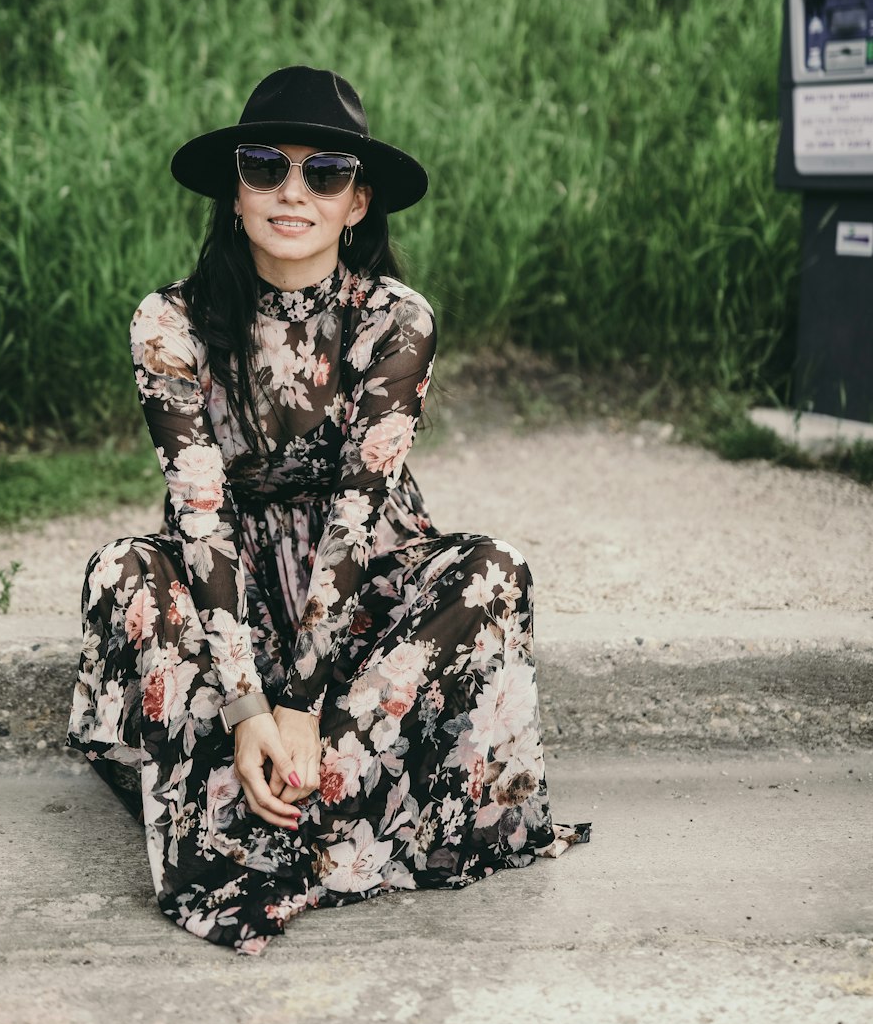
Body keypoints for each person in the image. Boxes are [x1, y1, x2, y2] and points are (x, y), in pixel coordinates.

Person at [66, 65, 589, 954]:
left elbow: (360, 517)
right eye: (265, 166)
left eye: (326, 173)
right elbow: (201, 516)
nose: (292, 190)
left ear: (357, 203)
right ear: (234, 192)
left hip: (358, 597)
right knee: (123, 569)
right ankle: (305, 794)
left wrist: (303, 703)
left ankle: (270, 803)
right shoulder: (169, 322)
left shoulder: (396, 318)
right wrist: (246, 706)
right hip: (231, 598)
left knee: (494, 568)